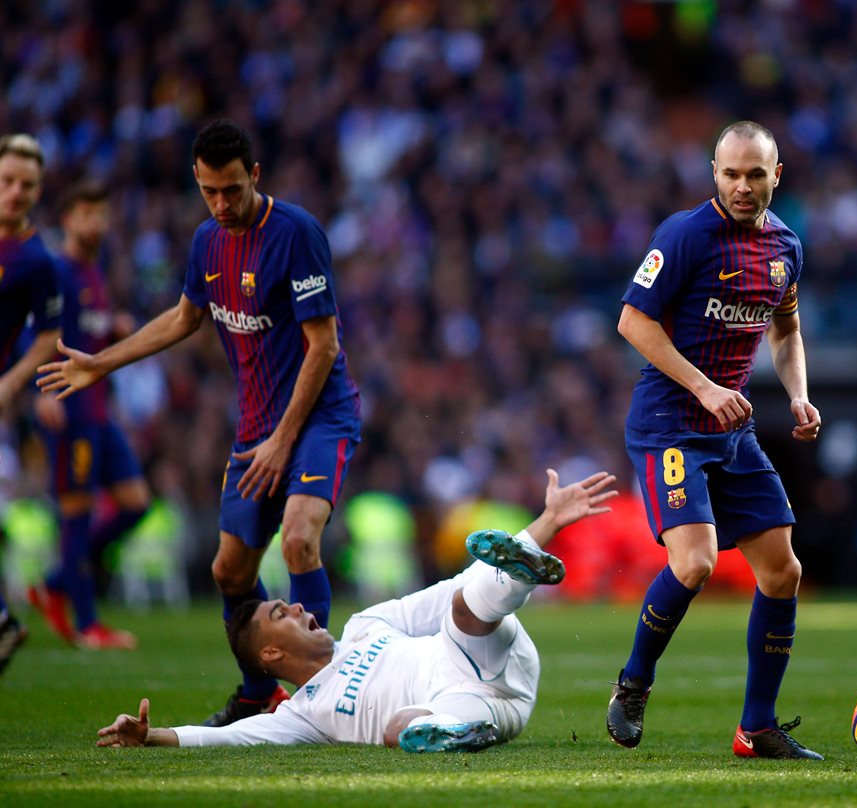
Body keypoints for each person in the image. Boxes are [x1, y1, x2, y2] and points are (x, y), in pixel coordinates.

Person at [38, 120, 362, 724]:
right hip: (256, 428)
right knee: (228, 570)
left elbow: (324, 345)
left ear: (254, 176)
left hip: (319, 417)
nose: (222, 204)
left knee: (298, 539)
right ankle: (257, 692)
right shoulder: (207, 241)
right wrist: (101, 363)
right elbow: (185, 317)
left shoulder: (296, 233)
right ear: (196, 180)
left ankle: (318, 699)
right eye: (210, 192)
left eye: (232, 190)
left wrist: (284, 439)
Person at [95, 469, 616, 751]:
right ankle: (461, 733)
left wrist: (547, 521)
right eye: (280, 613)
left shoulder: (367, 626)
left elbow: (453, 587)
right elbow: (231, 736)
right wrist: (151, 737)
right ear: (270, 653)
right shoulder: (303, 715)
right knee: (399, 731)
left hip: (485, 653)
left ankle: (520, 569)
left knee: (461, 605)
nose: (297, 606)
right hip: (475, 706)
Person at [607, 121, 823, 760]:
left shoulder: (786, 246)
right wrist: (704, 388)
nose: (742, 186)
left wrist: (798, 393)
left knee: (783, 571)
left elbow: (786, 330)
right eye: (731, 174)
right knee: (695, 563)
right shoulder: (684, 235)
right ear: (714, 173)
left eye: (755, 174)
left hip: (730, 430)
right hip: (670, 423)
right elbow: (632, 321)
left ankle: (757, 728)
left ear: (775, 175)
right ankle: (634, 683)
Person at [27, 179, 150, 650]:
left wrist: (113, 329)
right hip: (69, 407)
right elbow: (33, 333)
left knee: (135, 502)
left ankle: (55, 583)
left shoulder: (93, 270)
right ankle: (87, 624)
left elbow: (85, 332)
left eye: (100, 214)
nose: (95, 223)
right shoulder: (57, 271)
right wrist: (40, 392)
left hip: (98, 411)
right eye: (86, 214)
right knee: (76, 514)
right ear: (68, 220)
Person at [0, 133, 63, 674]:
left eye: (27, 184)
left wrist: (12, 382)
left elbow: (48, 336)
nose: (16, 192)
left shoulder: (37, 262)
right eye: (7, 181)